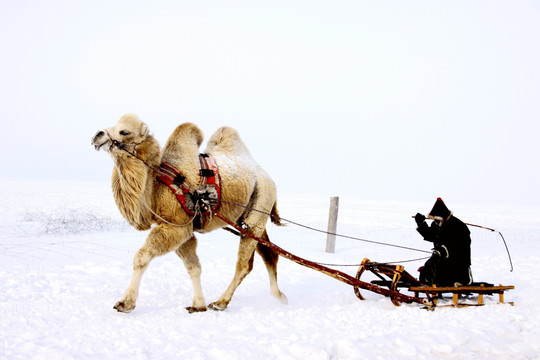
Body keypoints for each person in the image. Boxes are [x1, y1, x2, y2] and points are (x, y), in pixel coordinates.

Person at [414, 197, 473, 286]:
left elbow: (460, 245)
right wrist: (421, 223)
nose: (435, 222)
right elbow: (430, 236)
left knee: (445, 268)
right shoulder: (437, 224)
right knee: (430, 264)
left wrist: (444, 249)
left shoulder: (459, 227)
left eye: (437, 220)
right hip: (442, 258)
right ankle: (429, 282)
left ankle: (460, 281)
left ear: (443, 217)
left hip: (458, 260)